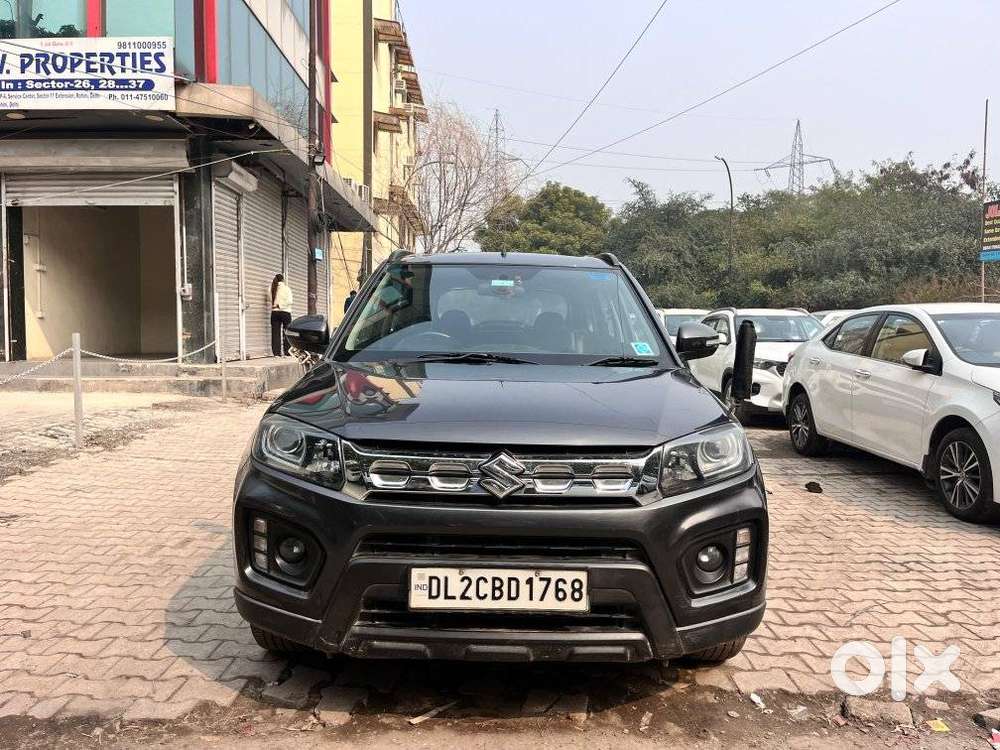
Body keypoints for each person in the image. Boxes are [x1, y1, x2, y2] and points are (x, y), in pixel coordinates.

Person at [270, 274, 293, 356]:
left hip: (274, 313)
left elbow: (271, 300)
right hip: (285, 312)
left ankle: (276, 353)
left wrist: (276, 305)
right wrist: (280, 305)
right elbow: (290, 301)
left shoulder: (272, 288)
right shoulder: (287, 289)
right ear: (283, 280)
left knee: (275, 333)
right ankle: (287, 352)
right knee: (287, 332)